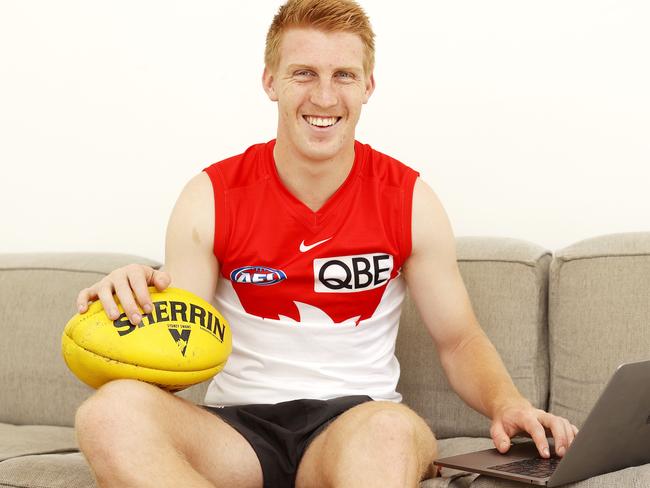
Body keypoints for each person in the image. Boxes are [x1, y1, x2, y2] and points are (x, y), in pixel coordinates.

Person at [74, 1, 578, 487]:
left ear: (367, 86)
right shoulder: (210, 196)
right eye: (303, 73)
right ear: (270, 81)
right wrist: (131, 304)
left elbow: (460, 340)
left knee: (387, 430)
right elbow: (175, 340)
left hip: (357, 425)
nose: (323, 96)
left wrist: (508, 403)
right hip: (236, 434)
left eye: (343, 75)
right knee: (109, 413)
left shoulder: (410, 200)